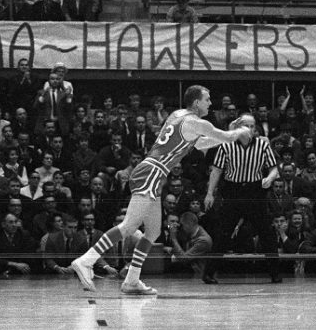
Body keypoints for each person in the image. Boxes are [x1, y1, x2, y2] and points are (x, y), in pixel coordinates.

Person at [68, 85, 252, 295]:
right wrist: (241, 130)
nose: (210, 103)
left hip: (152, 172)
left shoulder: (178, 115)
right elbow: (225, 138)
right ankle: (86, 261)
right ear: (196, 102)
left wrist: (230, 130)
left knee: (153, 231)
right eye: (207, 99)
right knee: (129, 226)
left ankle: (132, 280)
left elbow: (202, 144)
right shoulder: (196, 122)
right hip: (152, 172)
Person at [202, 112, 281, 284]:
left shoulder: (263, 145)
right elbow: (217, 170)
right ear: (239, 127)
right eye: (247, 125)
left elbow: (274, 168)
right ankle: (209, 273)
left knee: (267, 233)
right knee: (223, 233)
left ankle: (275, 273)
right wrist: (209, 193)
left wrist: (270, 177)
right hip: (233, 191)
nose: (251, 129)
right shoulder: (226, 145)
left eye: (253, 126)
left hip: (255, 191)